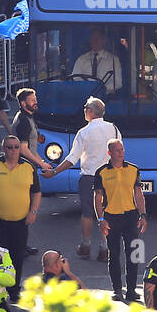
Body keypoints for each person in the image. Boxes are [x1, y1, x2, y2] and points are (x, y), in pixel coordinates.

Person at [47, 96, 122, 261]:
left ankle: (85, 246)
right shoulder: (114, 129)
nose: (84, 111)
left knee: (88, 213)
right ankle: (105, 248)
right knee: (107, 213)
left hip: (90, 178)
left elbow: (72, 158)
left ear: (90, 111)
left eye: (85, 108)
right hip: (111, 177)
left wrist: (54, 172)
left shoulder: (84, 132)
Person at [0, 135, 41, 304]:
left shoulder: (28, 167)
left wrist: (33, 211)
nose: (13, 151)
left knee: (17, 256)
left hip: (20, 222)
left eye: (16, 147)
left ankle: (14, 290)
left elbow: (36, 192)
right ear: (4, 149)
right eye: (9, 147)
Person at [93, 138, 148, 302]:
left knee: (133, 254)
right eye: (117, 150)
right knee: (114, 254)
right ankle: (117, 289)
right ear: (109, 153)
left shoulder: (133, 169)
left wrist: (143, 215)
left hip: (130, 216)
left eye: (122, 149)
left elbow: (138, 194)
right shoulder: (101, 172)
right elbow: (97, 197)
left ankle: (131, 290)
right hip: (111, 217)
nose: (120, 153)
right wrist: (100, 219)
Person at [12, 87, 53, 176]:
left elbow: (31, 149)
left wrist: (42, 163)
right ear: (23, 103)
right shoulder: (23, 121)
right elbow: (23, 149)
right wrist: (42, 164)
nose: (36, 102)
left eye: (35, 99)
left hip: (28, 166)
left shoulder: (28, 117)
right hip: (22, 168)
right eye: (32, 100)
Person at [71, 29, 124, 94]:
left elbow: (118, 83)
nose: (95, 41)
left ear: (104, 41)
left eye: (97, 38)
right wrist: (86, 88)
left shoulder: (113, 60)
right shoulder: (81, 59)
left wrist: (101, 89)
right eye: (93, 38)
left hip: (106, 97)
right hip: (84, 96)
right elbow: (75, 79)